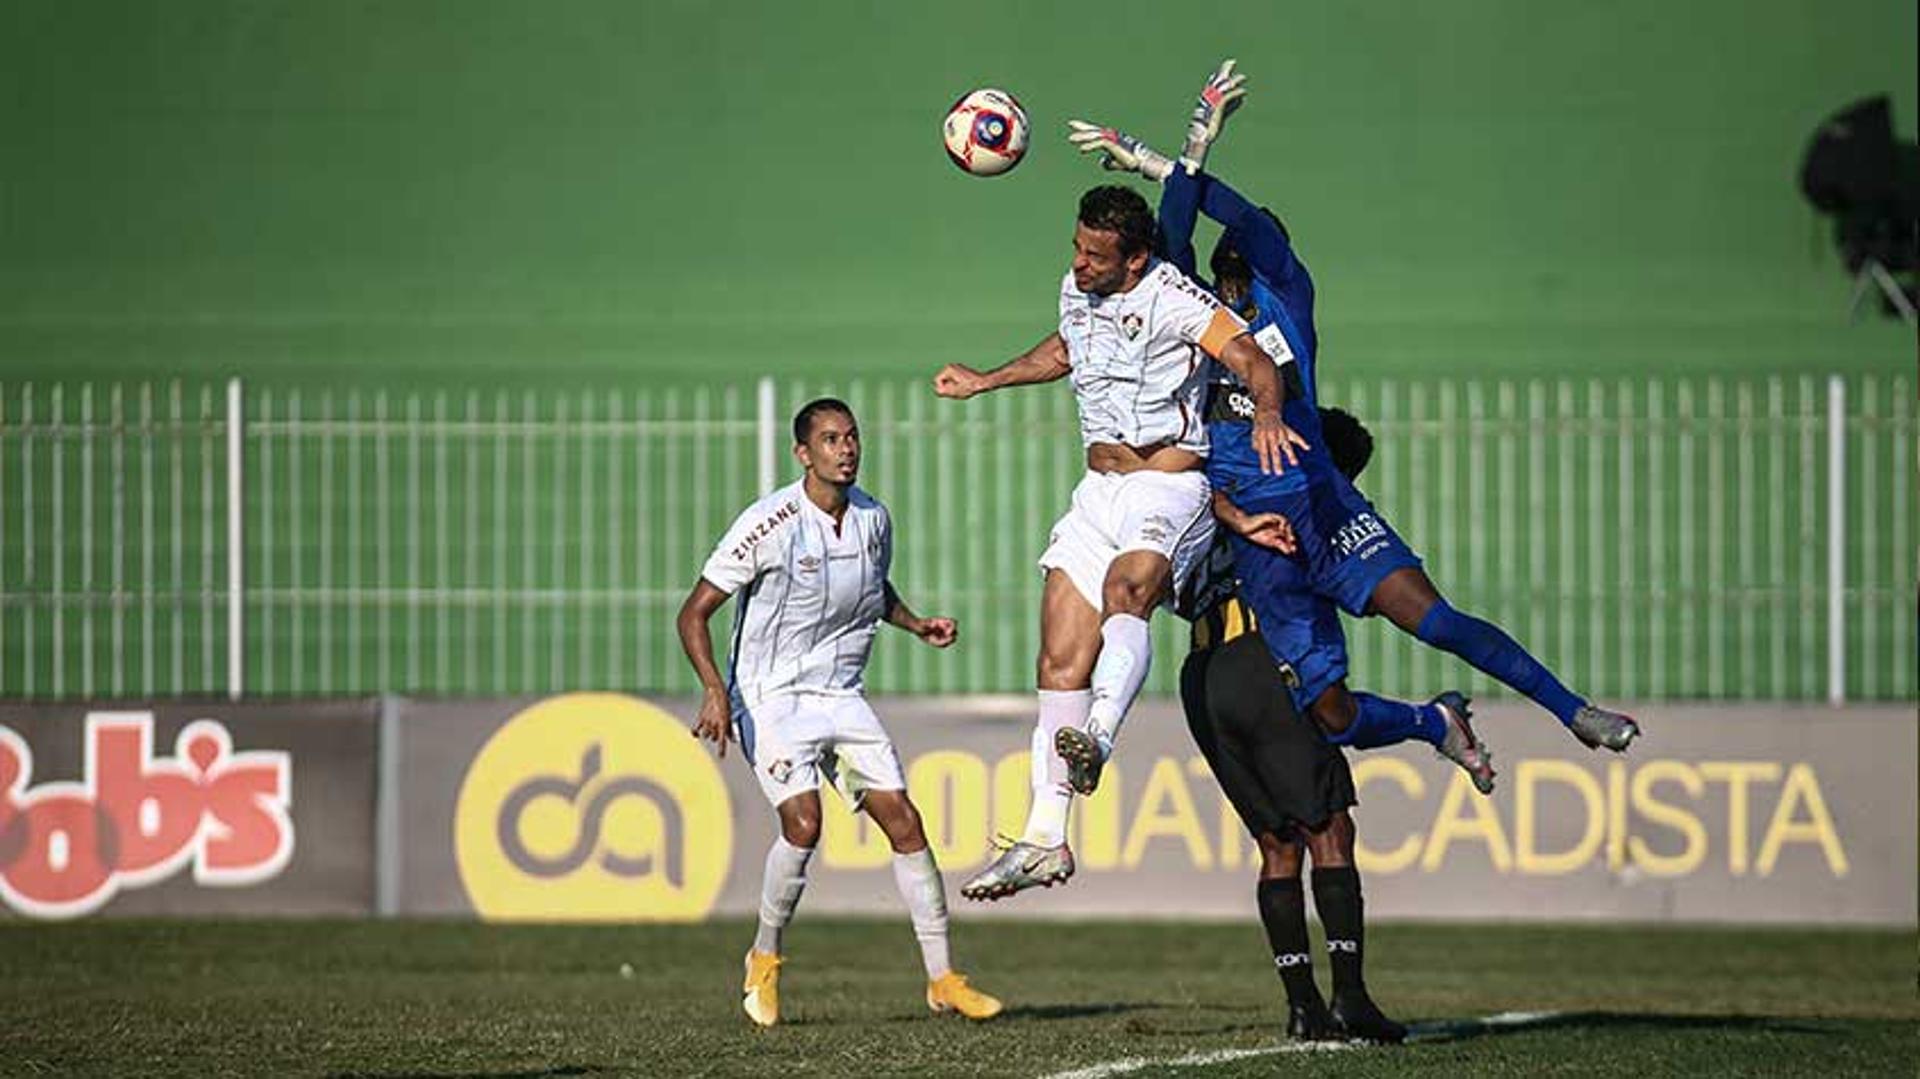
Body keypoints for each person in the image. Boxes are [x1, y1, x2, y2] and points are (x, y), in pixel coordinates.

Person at [1065, 62, 1639, 782]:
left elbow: (1237, 217)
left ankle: (1574, 710)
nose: (1246, 243)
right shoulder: (1189, 306)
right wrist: (1169, 171)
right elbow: (1173, 229)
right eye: (1240, 243)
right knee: (1328, 715)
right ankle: (1435, 721)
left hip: (1323, 503)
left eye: (1259, 239)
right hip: (1264, 535)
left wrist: (1179, 153)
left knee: (1436, 619)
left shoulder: (1286, 294)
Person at [933, 185, 1309, 901]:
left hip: (1169, 484)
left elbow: (1255, 360)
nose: (1079, 263)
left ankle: (1098, 738)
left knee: (1124, 595)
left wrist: (1266, 414)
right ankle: (1046, 837)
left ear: (1135, 259)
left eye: (1096, 256)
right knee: (1060, 654)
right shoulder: (1077, 287)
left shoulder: (1174, 297)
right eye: (1076, 248)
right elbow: (1065, 349)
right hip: (1097, 491)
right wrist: (987, 380)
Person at [676, 398, 1002, 1026]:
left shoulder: (873, 518)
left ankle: (943, 979)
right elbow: (693, 613)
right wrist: (715, 689)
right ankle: (763, 960)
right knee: (804, 824)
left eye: (851, 437)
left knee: (904, 822)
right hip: (769, 698)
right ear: (804, 453)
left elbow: (872, 591)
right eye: (830, 440)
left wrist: (914, 623)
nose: (846, 449)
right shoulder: (768, 523)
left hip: (841, 695)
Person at [1176, 410, 1405, 1043]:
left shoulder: (1208, 495)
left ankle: (1303, 1006)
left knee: (1278, 844)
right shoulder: (1301, 498)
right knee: (1330, 828)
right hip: (1264, 660)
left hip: (1203, 674)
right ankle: (1351, 997)